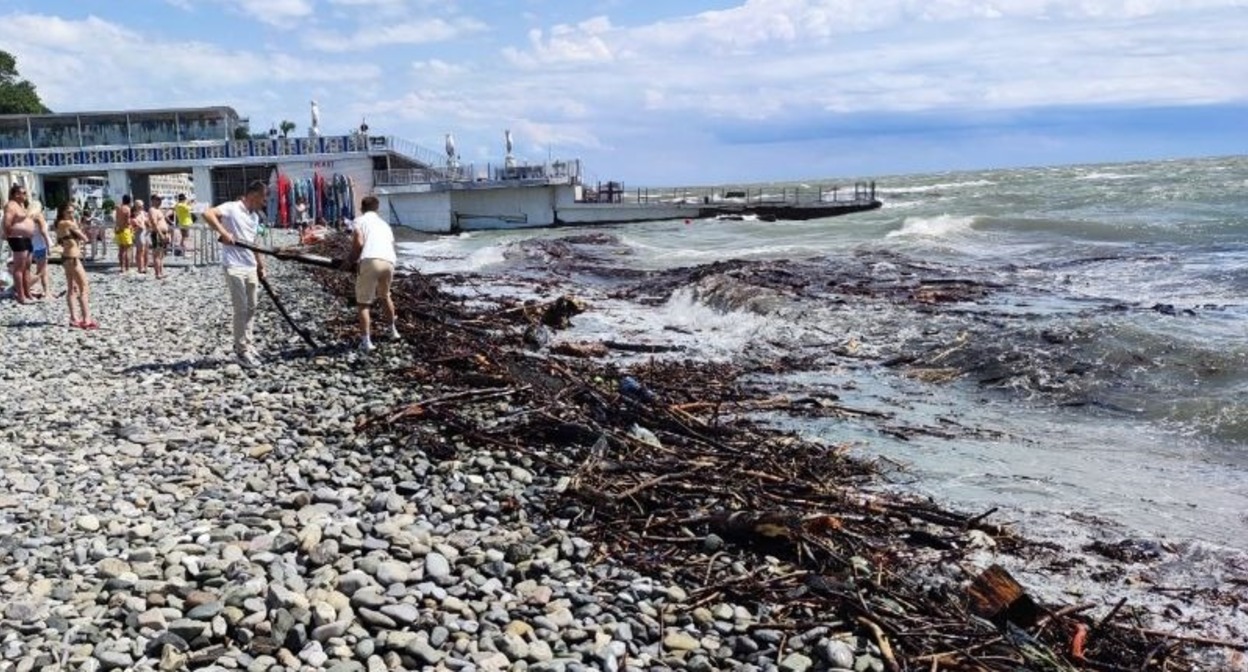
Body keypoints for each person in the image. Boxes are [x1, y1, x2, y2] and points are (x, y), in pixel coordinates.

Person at [201, 180, 268, 368]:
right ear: (254, 195)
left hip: (250, 265)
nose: (264, 203)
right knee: (241, 308)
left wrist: (261, 266)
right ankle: (241, 350)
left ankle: (248, 343)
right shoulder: (232, 207)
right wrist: (224, 232)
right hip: (233, 266)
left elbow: (254, 242)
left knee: (252, 307)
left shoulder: (254, 217)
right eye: (263, 199)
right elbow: (207, 213)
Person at [345, 195, 398, 352]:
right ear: (377, 209)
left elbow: (359, 243)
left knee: (363, 303)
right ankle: (393, 331)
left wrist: (349, 261)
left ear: (362, 208)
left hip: (370, 260)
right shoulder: (385, 225)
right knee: (385, 296)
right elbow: (390, 244)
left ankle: (366, 342)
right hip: (389, 261)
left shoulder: (359, 221)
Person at [55, 202, 96, 329]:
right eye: (69, 212)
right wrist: (77, 224)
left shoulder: (59, 223)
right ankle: (86, 318)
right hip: (73, 258)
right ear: (63, 212)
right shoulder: (68, 223)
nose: (71, 214)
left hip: (66, 257)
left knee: (71, 288)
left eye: (73, 212)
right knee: (84, 287)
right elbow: (85, 238)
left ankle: (74, 318)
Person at [3, 184, 37, 303]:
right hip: (17, 238)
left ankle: (28, 294)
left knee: (27, 268)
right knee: (19, 268)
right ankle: (21, 296)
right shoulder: (11, 205)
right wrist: (10, 234)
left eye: (25, 193)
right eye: (23, 193)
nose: (25, 195)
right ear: (16, 194)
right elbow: (6, 222)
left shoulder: (21, 205)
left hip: (26, 238)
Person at [28, 200, 51, 300]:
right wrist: (48, 245)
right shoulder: (38, 216)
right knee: (42, 271)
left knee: (38, 270)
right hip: (41, 246)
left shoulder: (28, 217)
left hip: (32, 246)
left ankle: (26, 288)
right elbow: (43, 232)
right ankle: (47, 292)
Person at [148, 195, 171, 279]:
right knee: (157, 254)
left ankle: (161, 272)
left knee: (161, 254)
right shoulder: (152, 210)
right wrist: (160, 234)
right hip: (158, 233)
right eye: (158, 199)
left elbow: (163, 222)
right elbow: (154, 223)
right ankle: (157, 273)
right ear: (153, 200)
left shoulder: (159, 210)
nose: (160, 201)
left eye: (160, 199)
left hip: (163, 233)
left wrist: (167, 233)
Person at [114, 194, 133, 274]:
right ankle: (127, 268)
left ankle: (121, 267)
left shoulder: (118, 208)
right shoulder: (127, 209)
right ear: (129, 201)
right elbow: (127, 221)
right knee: (127, 250)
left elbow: (116, 219)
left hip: (118, 230)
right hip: (125, 230)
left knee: (121, 250)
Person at [132, 198, 149, 274]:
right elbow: (133, 223)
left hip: (146, 232)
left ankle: (145, 266)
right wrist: (137, 224)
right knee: (140, 251)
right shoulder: (133, 214)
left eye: (142, 205)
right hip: (139, 232)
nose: (141, 207)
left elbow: (147, 221)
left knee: (146, 250)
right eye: (139, 206)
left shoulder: (144, 213)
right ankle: (140, 267)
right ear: (136, 206)